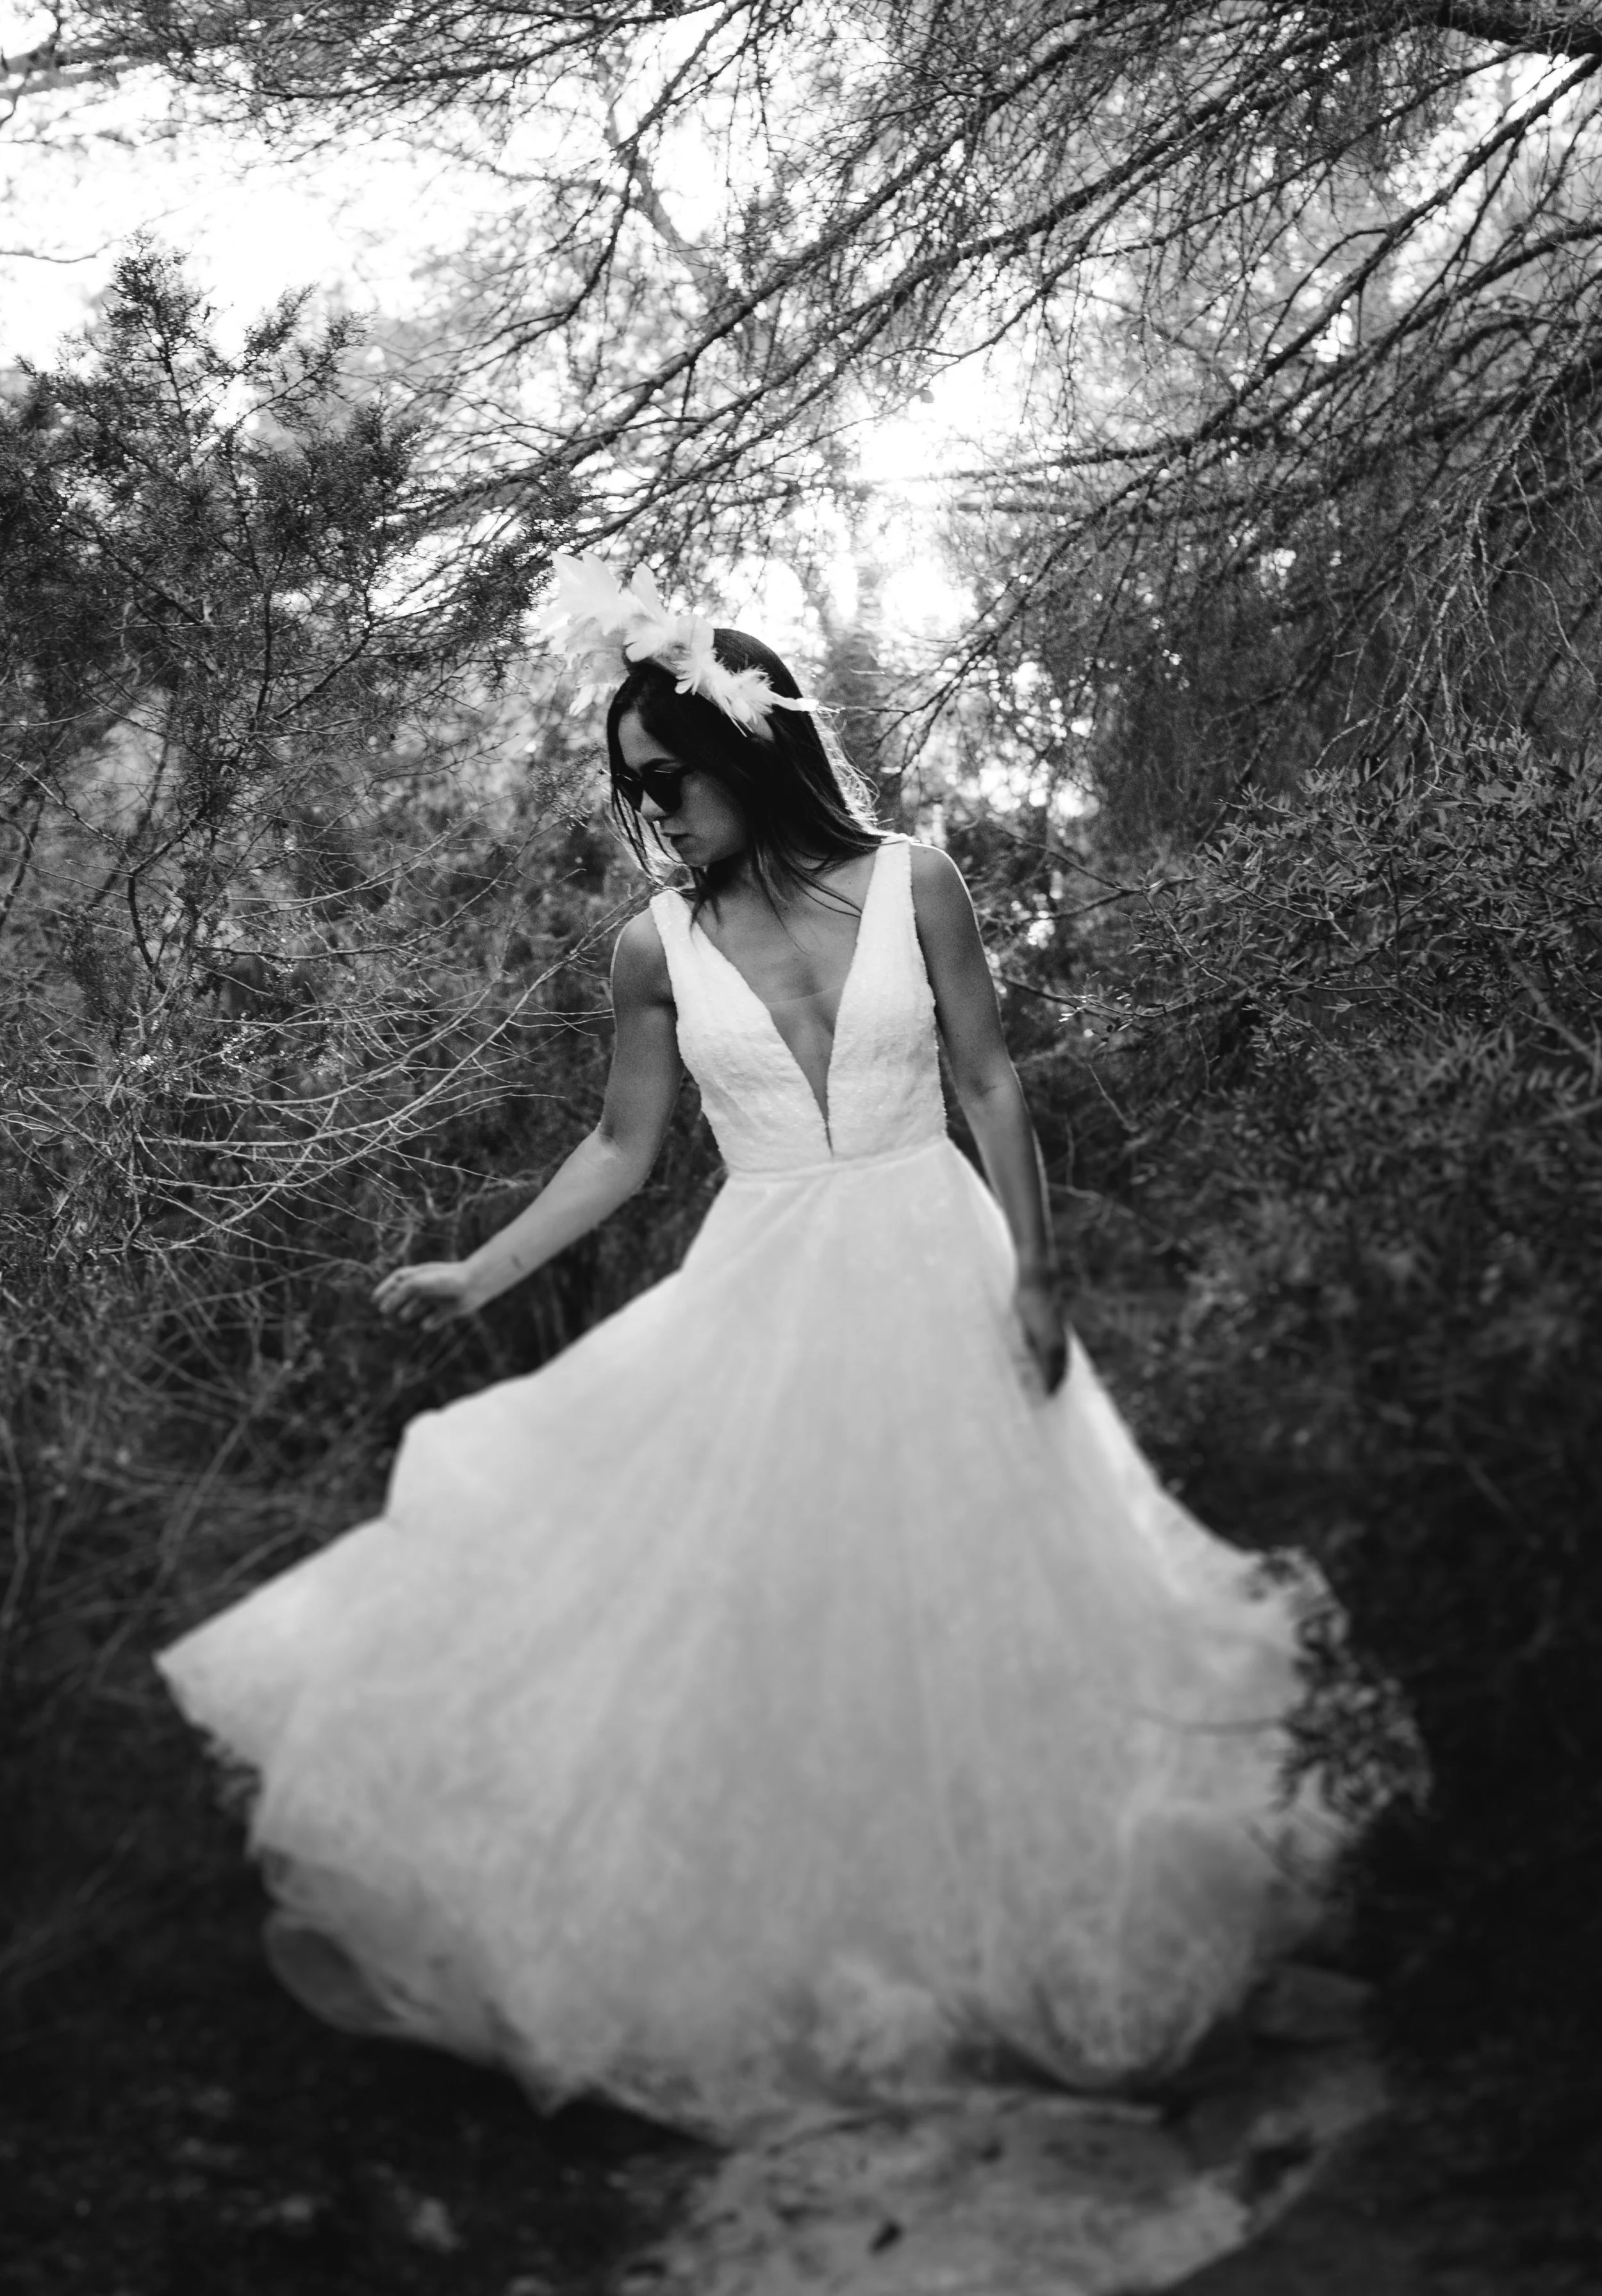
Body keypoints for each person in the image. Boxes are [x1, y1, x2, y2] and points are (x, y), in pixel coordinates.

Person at [158, 556, 1341, 2142]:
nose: (657, 815)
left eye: (673, 781)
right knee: (781, 1607)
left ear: (749, 751)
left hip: (937, 1256)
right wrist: (482, 1270)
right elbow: (620, 1150)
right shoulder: (654, 946)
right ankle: (832, 1938)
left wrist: (1040, 1276)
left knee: (983, 1590)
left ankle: (1021, 1920)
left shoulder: (917, 882)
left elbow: (990, 1085)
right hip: (767, 1286)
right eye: (635, 791)